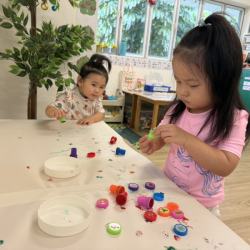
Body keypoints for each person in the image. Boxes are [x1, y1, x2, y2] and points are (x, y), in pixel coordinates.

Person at [139, 14, 250, 216]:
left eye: (192, 84)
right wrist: (153, 142)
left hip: (203, 206)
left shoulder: (234, 119)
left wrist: (187, 140)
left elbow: (226, 166)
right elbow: (161, 134)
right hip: (169, 190)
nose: (182, 91)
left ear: (222, 81)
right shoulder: (177, 109)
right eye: (178, 81)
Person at [45, 54, 111, 126]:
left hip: (88, 133)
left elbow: (101, 113)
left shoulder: (96, 99)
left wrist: (92, 118)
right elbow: (49, 108)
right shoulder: (68, 97)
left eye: (101, 87)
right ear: (80, 81)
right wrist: (54, 111)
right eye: (94, 85)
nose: (97, 91)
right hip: (69, 133)